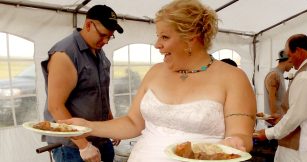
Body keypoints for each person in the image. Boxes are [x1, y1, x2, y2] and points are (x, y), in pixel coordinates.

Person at [62, 0, 256, 161]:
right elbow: (132, 123)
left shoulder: (233, 77)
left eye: (164, 37)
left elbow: (241, 135)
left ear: (191, 37)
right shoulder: (155, 72)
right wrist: (87, 126)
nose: (157, 45)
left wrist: (236, 142)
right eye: (158, 36)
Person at [40, 5, 123, 162]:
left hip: (101, 139)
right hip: (74, 148)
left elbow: (100, 95)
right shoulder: (65, 54)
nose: (105, 41)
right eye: (103, 35)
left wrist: (112, 126)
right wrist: (84, 146)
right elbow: (56, 106)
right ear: (88, 25)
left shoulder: (99, 51)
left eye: (109, 37)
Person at [255, 34, 307, 162]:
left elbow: (297, 114)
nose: (290, 61)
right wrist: (283, 117)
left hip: (304, 148)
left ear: (299, 51)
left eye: (289, 55)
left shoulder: (306, 75)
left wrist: (268, 133)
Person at [263, 50, 293, 121]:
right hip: (275, 122)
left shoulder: (279, 74)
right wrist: (275, 118)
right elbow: (271, 99)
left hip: (279, 120)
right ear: (288, 61)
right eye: (292, 63)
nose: (293, 66)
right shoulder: (274, 75)